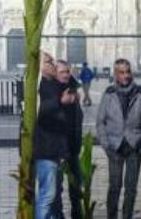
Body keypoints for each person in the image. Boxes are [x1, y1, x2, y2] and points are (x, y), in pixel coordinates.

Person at [95, 58, 141, 219]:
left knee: (131, 188)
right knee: (115, 186)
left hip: (134, 146)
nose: (126, 76)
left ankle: (127, 216)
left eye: (128, 72)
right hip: (114, 146)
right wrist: (106, 145)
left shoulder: (140, 93)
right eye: (121, 72)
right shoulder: (108, 94)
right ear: (115, 74)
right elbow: (100, 122)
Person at [34, 53, 76, 219]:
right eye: (49, 62)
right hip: (45, 150)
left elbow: (70, 84)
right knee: (48, 195)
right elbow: (40, 110)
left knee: (52, 196)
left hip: (55, 149)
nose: (52, 64)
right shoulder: (38, 86)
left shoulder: (52, 84)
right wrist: (60, 102)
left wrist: (68, 74)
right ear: (39, 66)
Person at [56, 60, 85, 219]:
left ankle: (77, 214)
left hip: (73, 147)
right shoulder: (52, 92)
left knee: (76, 186)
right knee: (56, 188)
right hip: (59, 149)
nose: (66, 74)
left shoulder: (72, 90)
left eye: (67, 71)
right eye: (62, 72)